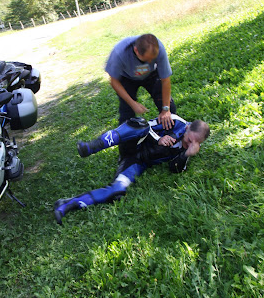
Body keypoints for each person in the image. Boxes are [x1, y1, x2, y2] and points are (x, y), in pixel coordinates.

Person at [54, 114, 210, 224]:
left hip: (136, 161)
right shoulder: (176, 122)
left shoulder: (191, 147)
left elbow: (175, 169)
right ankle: (91, 146)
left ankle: (67, 204)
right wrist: (159, 139)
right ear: (188, 127)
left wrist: (186, 154)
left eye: (195, 144)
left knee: (117, 191)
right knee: (139, 124)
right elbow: (146, 127)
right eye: (189, 140)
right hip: (135, 143)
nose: (189, 144)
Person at [105, 34, 176, 133]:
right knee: (126, 115)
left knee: (169, 109)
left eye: (153, 59)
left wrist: (166, 109)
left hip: (152, 75)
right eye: (147, 59)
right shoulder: (119, 53)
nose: (150, 62)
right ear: (136, 51)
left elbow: (165, 80)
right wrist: (132, 103)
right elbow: (114, 81)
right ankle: (127, 146)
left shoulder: (158, 48)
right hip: (127, 78)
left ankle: (171, 139)